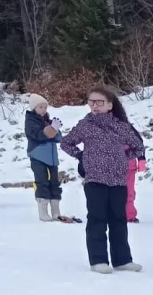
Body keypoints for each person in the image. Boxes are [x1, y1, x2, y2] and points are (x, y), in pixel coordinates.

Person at [60, 86, 145, 273]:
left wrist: (123, 158)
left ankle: (122, 260)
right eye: (91, 102)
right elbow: (66, 142)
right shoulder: (86, 125)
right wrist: (82, 156)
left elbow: (138, 147)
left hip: (118, 181)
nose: (95, 106)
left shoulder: (121, 126)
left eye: (99, 102)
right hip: (95, 180)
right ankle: (98, 260)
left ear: (109, 105)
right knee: (97, 219)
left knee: (118, 220)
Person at [25, 93, 64, 222]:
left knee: (54, 183)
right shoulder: (31, 121)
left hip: (52, 158)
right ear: (34, 108)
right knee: (42, 182)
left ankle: (56, 211)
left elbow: (58, 138)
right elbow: (38, 135)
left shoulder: (48, 120)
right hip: (38, 156)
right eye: (40, 107)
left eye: (45, 107)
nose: (43, 110)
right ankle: (43, 212)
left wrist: (55, 130)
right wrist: (51, 130)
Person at [125, 131, 147, 222]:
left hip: (128, 165)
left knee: (128, 191)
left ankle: (129, 215)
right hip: (110, 166)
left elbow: (139, 144)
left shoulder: (128, 128)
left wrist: (141, 159)